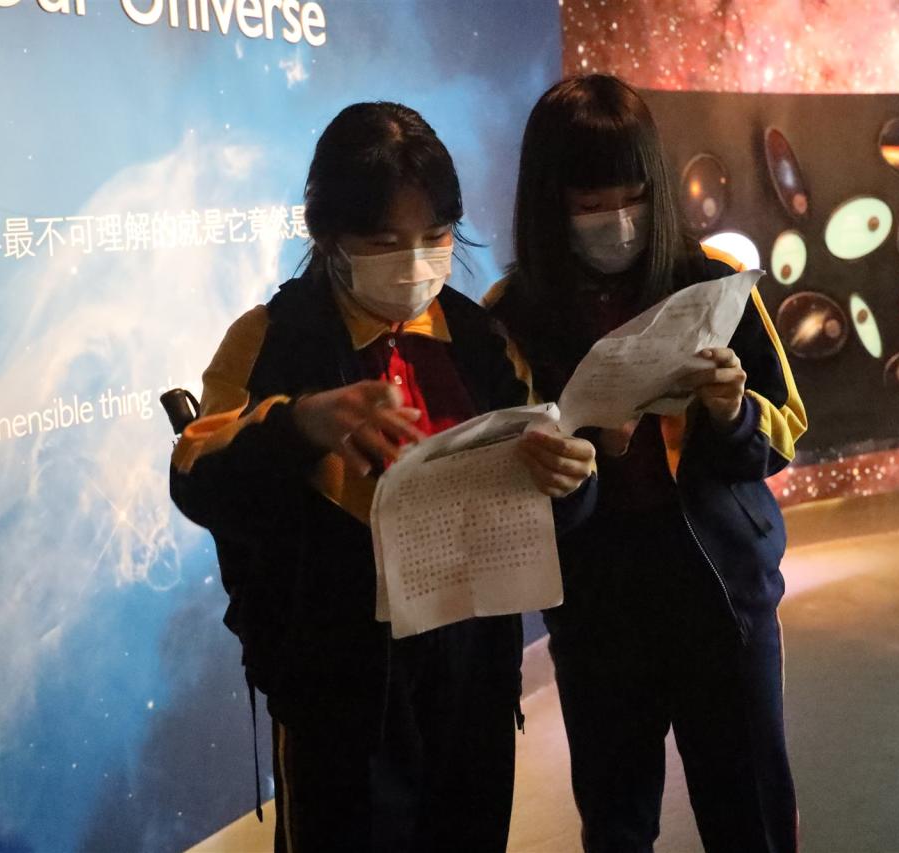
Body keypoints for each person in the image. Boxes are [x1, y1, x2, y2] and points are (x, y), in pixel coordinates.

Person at [170, 101, 597, 853]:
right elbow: (197, 475)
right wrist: (301, 423)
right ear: (327, 236)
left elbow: (540, 491)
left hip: (472, 676)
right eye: (382, 242)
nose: (414, 262)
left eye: (436, 237)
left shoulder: (480, 338)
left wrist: (571, 481)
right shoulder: (272, 338)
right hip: (339, 690)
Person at [484, 74, 808, 853]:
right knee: (617, 820)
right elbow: (506, 486)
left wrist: (730, 410)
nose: (618, 221)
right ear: (549, 201)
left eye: (633, 196)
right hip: (598, 608)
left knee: (751, 811)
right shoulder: (510, 315)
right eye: (591, 203)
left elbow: (786, 428)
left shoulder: (711, 281)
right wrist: (586, 456)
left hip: (720, 591)